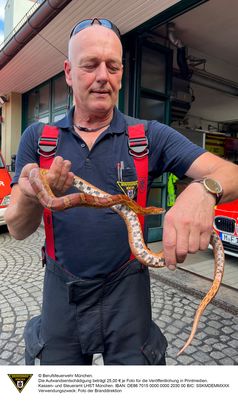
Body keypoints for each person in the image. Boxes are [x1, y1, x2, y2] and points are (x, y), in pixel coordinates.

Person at [5, 18, 238, 365]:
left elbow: (230, 173)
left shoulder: (149, 136)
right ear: (68, 72)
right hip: (61, 290)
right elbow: (17, 229)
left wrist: (204, 190)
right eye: (90, 65)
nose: (103, 76)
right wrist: (30, 192)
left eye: (113, 66)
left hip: (127, 291)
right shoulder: (38, 139)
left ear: (121, 74)